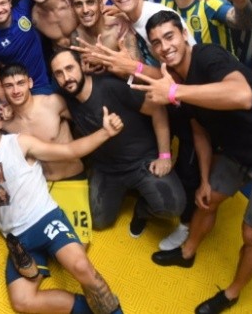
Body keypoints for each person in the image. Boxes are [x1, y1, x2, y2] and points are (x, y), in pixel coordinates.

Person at [135, 10, 252, 314]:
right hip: (237, 150)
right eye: (156, 42)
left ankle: (231, 294)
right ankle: (187, 253)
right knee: (207, 199)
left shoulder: (208, 57)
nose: (165, 46)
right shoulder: (175, 78)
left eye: (170, 36)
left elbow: (242, 95)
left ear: (184, 34)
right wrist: (203, 178)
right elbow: (200, 132)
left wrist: (173, 91)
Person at [0, 102, 125, 314]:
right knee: (22, 302)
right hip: (17, 237)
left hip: (46, 219)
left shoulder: (19, 143)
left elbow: (69, 150)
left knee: (81, 267)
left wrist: (105, 132)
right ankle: (90, 309)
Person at [50, 49, 185, 235]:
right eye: (59, 73)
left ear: (82, 65)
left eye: (69, 68)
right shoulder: (65, 97)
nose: (66, 77)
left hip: (142, 161)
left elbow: (157, 109)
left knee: (173, 206)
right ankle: (129, 190)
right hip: (107, 168)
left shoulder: (110, 86)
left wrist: (164, 155)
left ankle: (142, 210)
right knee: (98, 220)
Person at [0, 64, 93, 244]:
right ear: (3, 89)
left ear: (30, 83)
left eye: (20, 83)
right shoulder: (5, 124)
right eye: (9, 86)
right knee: (26, 237)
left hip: (70, 179)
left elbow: (88, 119)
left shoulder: (53, 103)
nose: (16, 90)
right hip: (39, 186)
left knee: (78, 243)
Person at [0, 0, 52, 105]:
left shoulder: (23, 9)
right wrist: (6, 103)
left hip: (45, 82)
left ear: (10, 2)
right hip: (20, 93)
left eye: (2, 3)